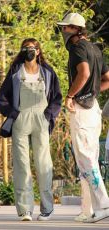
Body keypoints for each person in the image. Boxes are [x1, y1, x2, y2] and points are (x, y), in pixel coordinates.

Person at [0, 38, 62, 221]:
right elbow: (2, 98)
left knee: (43, 164)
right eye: (25, 48)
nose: (28, 51)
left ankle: (46, 208)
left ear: (38, 51)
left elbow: (57, 97)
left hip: (41, 119)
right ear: (21, 51)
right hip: (21, 120)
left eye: (32, 48)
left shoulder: (48, 72)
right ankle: (25, 210)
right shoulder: (15, 73)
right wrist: (12, 113)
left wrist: (49, 115)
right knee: (22, 165)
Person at [57, 13, 109, 223]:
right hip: (93, 108)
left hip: (82, 110)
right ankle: (88, 209)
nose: (62, 32)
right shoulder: (95, 48)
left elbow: (84, 73)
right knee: (88, 159)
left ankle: (103, 204)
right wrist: (92, 93)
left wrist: (71, 95)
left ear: (74, 29)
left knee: (86, 160)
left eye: (64, 28)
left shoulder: (77, 48)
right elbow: (107, 79)